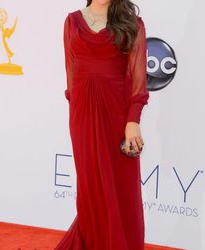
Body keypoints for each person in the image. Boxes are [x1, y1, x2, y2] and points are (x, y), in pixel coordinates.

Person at [54, 0, 149, 249]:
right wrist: (77, 112)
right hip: (82, 116)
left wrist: (133, 121)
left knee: (121, 190)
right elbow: (71, 73)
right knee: (89, 189)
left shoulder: (132, 24)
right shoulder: (72, 21)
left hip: (117, 118)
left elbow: (139, 80)